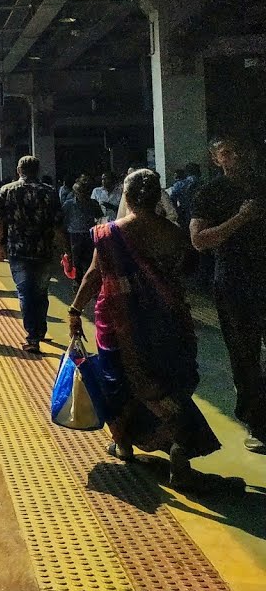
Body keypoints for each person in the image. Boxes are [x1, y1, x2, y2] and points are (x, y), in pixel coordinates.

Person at [69, 170, 220, 488]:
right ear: (156, 198)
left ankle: (123, 445)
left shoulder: (108, 234)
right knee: (170, 382)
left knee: (120, 383)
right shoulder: (175, 235)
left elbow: (94, 275)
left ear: (126, 196)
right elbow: (185, 276)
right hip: (167, 322)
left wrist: (74, 310)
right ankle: (180, 450)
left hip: (118, 323)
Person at [190, 133, 266, 453]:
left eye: (240, 150)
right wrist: (240, 218)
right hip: (235, 282)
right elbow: (199, 240)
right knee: (244, 354)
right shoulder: (210, 194)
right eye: (227, 152)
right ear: (216, 159)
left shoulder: (262, 186)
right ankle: (257, 423)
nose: (236, 157)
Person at [0, 155, 70, 355]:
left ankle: (33, 337)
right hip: (44, 250)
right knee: (41, 291)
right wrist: (65, 250)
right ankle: (41, 329)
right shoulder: (50, 192)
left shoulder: (6, 191)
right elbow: (58, 223)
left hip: (18, 250)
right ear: (38, 170)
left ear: (19, 170)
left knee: (25, 292)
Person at [63, 177, 100, 284]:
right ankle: (78, 281)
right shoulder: (69, 204)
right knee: (76, 260)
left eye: (85, 192)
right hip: (75, 234)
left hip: (90, 234)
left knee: (90, 259)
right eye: (80, 192)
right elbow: (64, 220)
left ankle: (89, 281)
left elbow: (100, 218)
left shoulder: (93, 203)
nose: (83, 195)